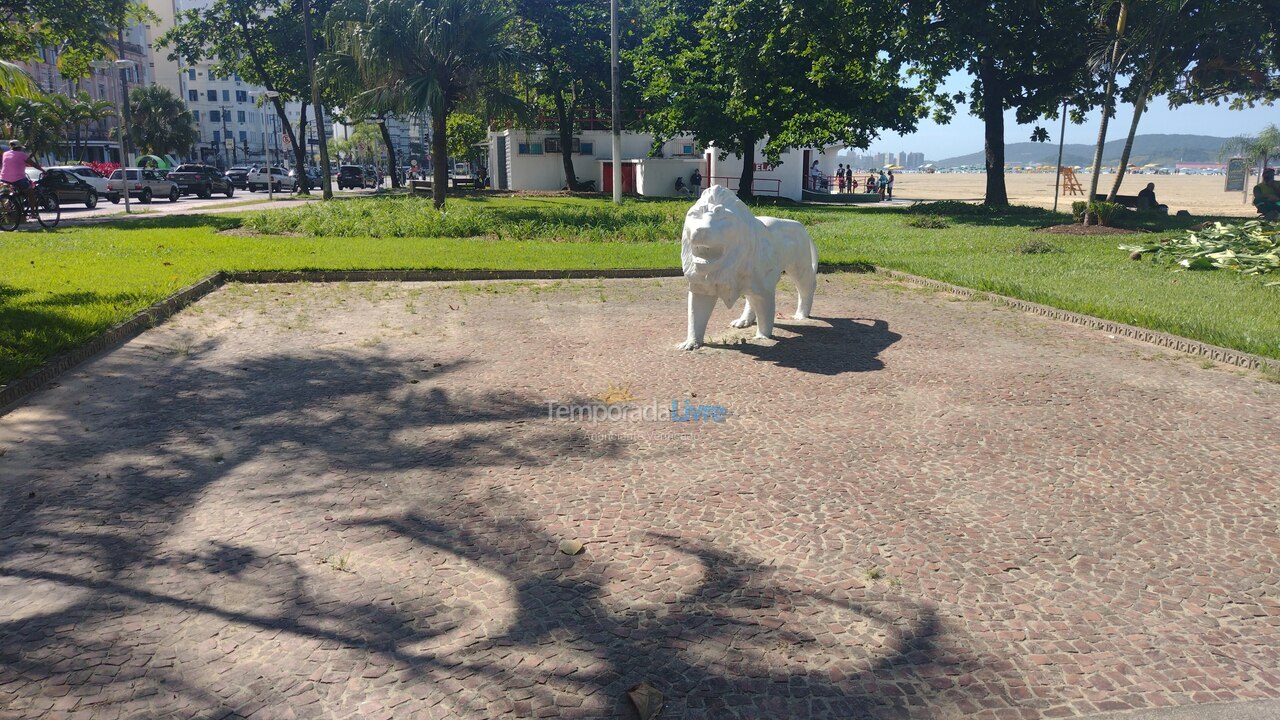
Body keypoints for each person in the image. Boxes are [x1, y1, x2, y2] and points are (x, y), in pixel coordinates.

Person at [1, 140, 44, 214]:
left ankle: (9, 204)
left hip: (4, 179)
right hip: (18, 179)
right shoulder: (22, 154)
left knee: (15, 191)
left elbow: (13, 163)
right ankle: (33, 213)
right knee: (31, 193)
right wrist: (44, 171)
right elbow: (34, 164)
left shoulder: (5, 154)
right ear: (19, 147)